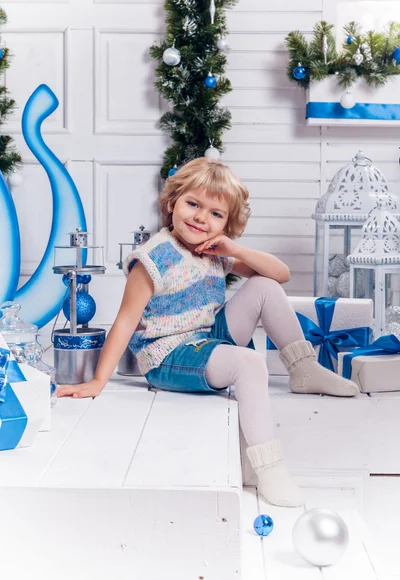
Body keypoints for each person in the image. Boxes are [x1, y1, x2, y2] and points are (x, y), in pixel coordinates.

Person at [57, 157, 359, 507]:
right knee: (248, 363)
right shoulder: (153, 257)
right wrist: (97, 382)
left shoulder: (214, 251)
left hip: (207, 338)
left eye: (216, 214)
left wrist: (234, 248)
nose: (201, 218)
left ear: (227, 224)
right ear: (173, 203)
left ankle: (303, 369)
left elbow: (282, 275)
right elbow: (125, 320)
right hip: (169, 354)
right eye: (193, 204)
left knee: (265, 287)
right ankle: (269, 468)